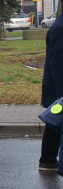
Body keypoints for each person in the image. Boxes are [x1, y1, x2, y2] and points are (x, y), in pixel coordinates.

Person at [38, 14, 63, 171]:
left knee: (54, 121)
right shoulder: (60, 28)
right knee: (55, 120)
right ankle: (48, 160)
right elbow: (59, 63)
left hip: (57, 88)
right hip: (58, 86)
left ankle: (48, 160)